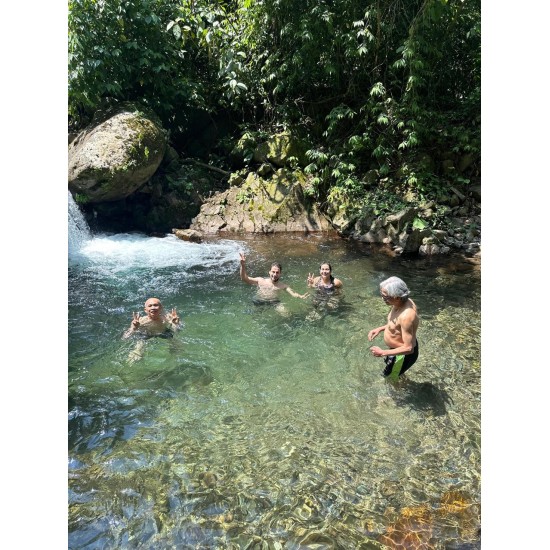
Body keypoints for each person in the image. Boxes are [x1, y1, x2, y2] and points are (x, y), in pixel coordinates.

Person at [368, 276, 419, 380]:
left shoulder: (407, 316)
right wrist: (381, 329)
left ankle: (396, 393)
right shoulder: (400, 302)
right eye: (382, 295)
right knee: (395, 374)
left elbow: (409, 348)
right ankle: (400, 376)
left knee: (390, 379)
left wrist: (382, 352)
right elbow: (396, 324)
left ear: (397, 297)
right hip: (396, 351)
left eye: (385, 297)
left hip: (401, 355)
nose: (383, 299)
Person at [122, 297, 181, 361]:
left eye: (155, 305)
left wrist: (176, 324)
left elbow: (177, 331)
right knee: (136, 355)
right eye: (150, 306)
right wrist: (133, 329)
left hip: (164, 332)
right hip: (146, 335)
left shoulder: (168, 317)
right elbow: (125, 338)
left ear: (161, 308)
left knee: (178, 349)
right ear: (145, 310)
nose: (153, 307)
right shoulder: (140, 321)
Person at [239, 252, 309, 305]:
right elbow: (244, 279)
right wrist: (242, 265)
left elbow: (293, 293)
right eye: (273, 272)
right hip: (259, 300)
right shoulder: (260, 280)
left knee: (285, 314)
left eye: (277, 272)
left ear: (280, 274)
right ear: (269, 272)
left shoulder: (283, 286)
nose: (275, 274)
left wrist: (300, 296)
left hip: (274, 302)